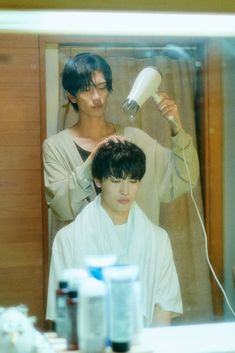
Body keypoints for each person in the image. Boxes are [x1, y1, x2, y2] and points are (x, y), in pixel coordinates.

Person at [42, 52, 199, 239]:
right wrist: (92, 162)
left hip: (137, 254)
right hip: (88, 259)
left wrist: (176, 126)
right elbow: (61, 207)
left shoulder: (136, 140)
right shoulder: (55, 147)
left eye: (102, 87)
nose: (97, 97)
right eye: (86, 89)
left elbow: (185, 176)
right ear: (71, 96)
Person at [47, 140, 183, 327]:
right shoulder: (68, 239)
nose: (125, 190)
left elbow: (163, 308)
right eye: (116, 180)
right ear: (98, 180)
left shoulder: (158, 239)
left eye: (133, 181)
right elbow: (62, 317)